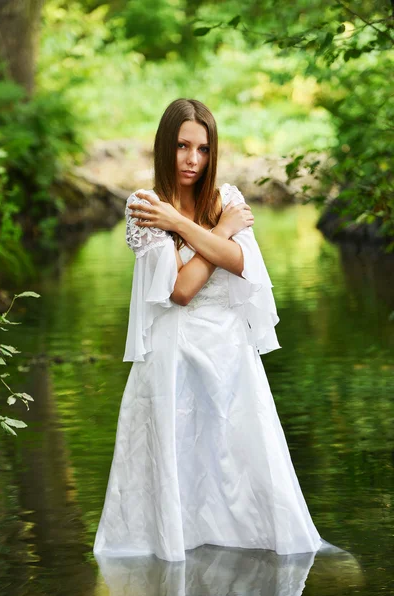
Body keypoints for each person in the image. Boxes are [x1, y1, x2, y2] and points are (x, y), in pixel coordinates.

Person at [93, 98, 323, 563]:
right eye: (181, 146)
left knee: (238, 456)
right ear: (165, 146)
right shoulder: (144, 206)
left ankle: (248, 553)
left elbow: (241, 264)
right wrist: (209, 229)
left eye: (202, 148)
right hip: (173, 351)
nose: (192, 160)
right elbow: (180, 291)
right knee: (180, 457)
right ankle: (174, 554)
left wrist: (191, 229)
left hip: (231, 352)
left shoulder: (229, 197)